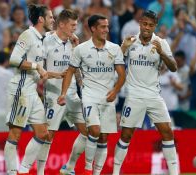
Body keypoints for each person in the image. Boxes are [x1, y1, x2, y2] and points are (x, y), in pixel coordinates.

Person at [58, 14, 126, 175]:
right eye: (102, 27)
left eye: (107, 26)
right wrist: (63, 93)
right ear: (93, 28)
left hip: (108, 98)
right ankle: (87, 170)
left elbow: (122, 75)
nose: (106, 30)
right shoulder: (81, 49)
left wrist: (115, 91)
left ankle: (95, 173)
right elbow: (70, 72)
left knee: (103, 139)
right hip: (89, 97)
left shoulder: (114, 48)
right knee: (94, 131)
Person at [113, 10, 178, 175]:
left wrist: (162, 53)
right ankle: (115, 172)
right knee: (126, 135)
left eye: (151, 25)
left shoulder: (161, 42)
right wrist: (122, 48)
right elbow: (116, 63)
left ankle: (174, 172)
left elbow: (174, 67)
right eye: (144, 24)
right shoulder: (130, 41)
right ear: (140, 23)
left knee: (167, 132)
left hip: (154, 96)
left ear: (155, 25)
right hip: (134, 96)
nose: (147, 28)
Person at [3, 4, 56, 175]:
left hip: (32, 92)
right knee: (15, 134)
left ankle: (23, 170)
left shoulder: (41, 37)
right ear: (41, 19)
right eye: (50, 17)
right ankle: (12, 172)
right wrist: (36, 67)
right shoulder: (27, 34)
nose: (53, 20)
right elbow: (13, 59)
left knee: (43, 134)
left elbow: (57, 34)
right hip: (20, 89)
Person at [35, 9, 84, 175]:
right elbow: (39, 68)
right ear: (61, 24)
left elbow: (76, 68)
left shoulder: (74, 43)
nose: (74, 28)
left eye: (76, 25)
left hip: (72, 94)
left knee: (89, 131)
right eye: (72, 25)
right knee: (49, 135)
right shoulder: (46, 40)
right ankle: (40, 172)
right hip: (54, 94)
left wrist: (80, 82)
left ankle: (69, 167)